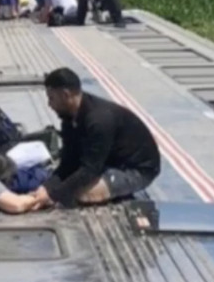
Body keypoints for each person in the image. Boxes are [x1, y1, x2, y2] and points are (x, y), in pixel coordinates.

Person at [29, 68, 160, 208]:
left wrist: (54, 196)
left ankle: (121, 191)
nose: (49, 105)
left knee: (82, 193)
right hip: (108, 161)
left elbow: (90, 170)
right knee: (67, 187)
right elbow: (68, 163)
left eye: (51, 98)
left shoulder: (99, 121)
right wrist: (47, 187)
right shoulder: (69, 118)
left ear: (65, 95)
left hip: (136, 169)